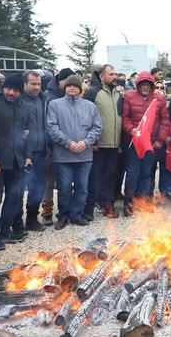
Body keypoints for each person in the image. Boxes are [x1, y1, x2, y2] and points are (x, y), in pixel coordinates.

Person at [0, 74, 33, 251]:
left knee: (14, 197)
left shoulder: (24, 107)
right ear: (3, 87)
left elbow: (27, 134)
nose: (11, 92)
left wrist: (28, 156)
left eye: (15, 90)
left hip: (17, 161)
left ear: (21, 91)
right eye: (8, 88)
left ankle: (5, 229)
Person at [46, 75, 102, 230]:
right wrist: (68, 143)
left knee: (82, 187)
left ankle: (76, 215)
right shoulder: (54, 105)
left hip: (84, 156)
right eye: (69, 86)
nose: (72, 88)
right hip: (63, 156)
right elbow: (52, 127)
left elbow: (97, 128)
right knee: (63, 188)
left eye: (75, 86)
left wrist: (85, 142)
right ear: (65, 88)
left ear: (80, 89)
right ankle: (63, 215)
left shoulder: (90, 106)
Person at [122, 71, 171, 215]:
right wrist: (131, 130)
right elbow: (125, 118)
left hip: (151, 143)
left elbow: (164, 120)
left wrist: (160, 140)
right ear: (138, 85)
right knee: (132, 173)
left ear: (151, 85)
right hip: (134, 142)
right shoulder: (129, 96)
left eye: (147, 85)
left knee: (147, 173)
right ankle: (129, 202)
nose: (145, 87)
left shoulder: (159, 99)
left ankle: (144, 201)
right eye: (142, 85)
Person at [83, 64, 122, 219]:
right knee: (94, 177)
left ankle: (107, 205)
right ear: (101, 76)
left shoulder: (119, 95)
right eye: (111, 74)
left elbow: (120, 117)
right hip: (98, 145)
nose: (115, 77)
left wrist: (121, 142)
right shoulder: (93, 93)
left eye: (115, 74)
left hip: (114, 144)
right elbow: (85, 118)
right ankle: (89, 209)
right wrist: (91, 140)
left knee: (111, 176)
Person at [40, 67, 75, 226]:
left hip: (69, 146)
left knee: (66, 181)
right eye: (66, 82)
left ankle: (65, 211)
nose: (69, 86)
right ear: (60, 81)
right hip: (51, 146)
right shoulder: (49, 97)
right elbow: (47, 124)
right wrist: (49, 145)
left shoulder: (72, 96)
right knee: (49, 181)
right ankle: (47, 211)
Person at [16, 71, 48, 232]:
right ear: (24, 84)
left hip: (41, 152)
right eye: (33, 84)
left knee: (38, 188)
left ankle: (32, 219)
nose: (37, 87)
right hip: (22, 153)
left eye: (39, 84)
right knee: (19, 188)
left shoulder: (43, 99)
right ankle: (16, 222)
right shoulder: (18, 101)